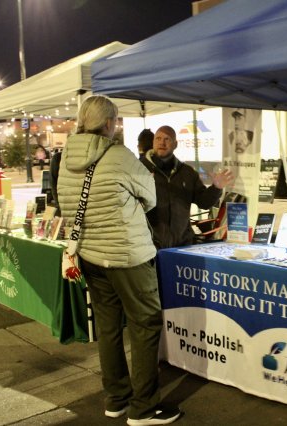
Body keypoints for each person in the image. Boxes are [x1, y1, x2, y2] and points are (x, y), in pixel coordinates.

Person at [57, 96, 180, 425]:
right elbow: (150, 198)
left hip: (90, 254)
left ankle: (116, 399)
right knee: (145, 325)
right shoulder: (119, 155)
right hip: (128, 255)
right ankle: (144, 408)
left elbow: (64, 201)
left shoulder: (66, 156)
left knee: (108, 327)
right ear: (109, 123)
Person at [141, 125, 234, 248]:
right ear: (153, 142)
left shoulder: (187, 172)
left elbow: (204, 203)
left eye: (167, 139)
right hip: (148, 247)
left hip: (182, 246)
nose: (162, 143)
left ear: (175, 144)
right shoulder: (140, 169)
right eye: (158, 138)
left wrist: (216, 188)